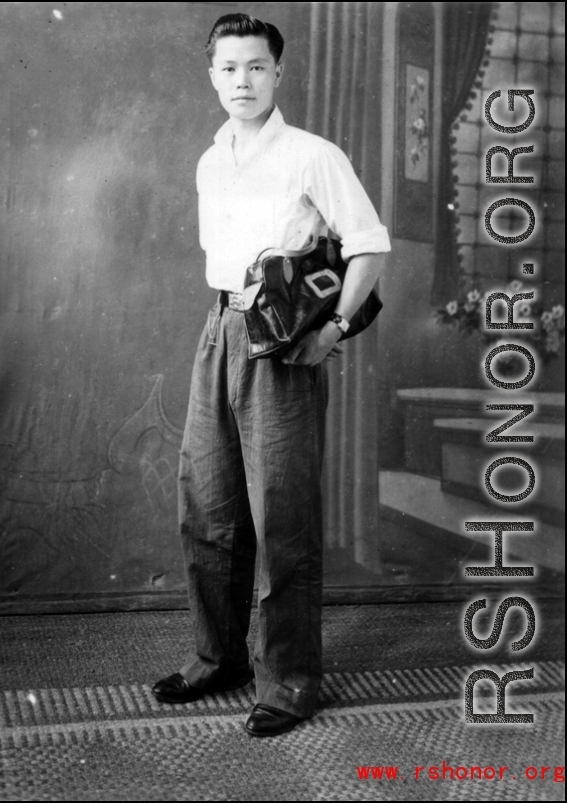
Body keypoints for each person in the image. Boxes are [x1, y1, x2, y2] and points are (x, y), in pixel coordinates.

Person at [152, 13, 391, 737]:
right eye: (229, 68)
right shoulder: (210, 159)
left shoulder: (313, 154)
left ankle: (288, 679)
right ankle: (217, 657)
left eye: (256, 66)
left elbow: (369, 246)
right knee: (206, 506)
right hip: (219, 328)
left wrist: (334, 328)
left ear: (278, 73)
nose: (243, 80)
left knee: (280, 516)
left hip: (282, 342)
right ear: (212, 75)